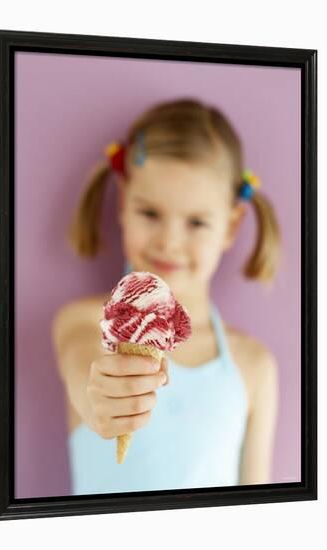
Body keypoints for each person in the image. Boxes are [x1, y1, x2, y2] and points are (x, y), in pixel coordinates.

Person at [51, 98, 280, 495]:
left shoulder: (254, 366)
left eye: (196, 222)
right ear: (123, 202)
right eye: (150, 213)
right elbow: (82, 371)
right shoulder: (84, 323)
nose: (169, 241)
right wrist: (99, 399)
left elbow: (256, 509)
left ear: (230, 227)